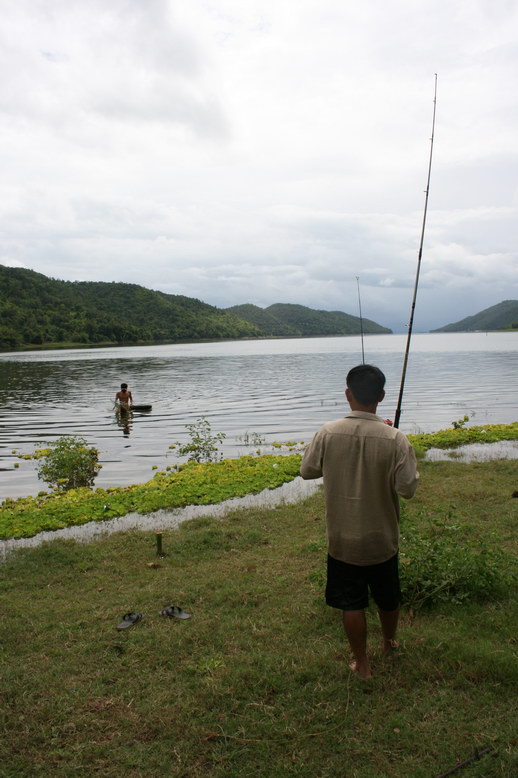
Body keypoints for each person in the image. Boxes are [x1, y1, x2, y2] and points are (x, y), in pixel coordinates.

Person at [300, 364, 419, 678]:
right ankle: (389, 642)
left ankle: (361, 662)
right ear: (381, 396)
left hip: (343, 541)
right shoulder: (395, 439)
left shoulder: (327, 432)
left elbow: (307, 471)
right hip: (382, 540)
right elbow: (407, 489)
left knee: (351, 603)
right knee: (387, 597)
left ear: (348, 394)